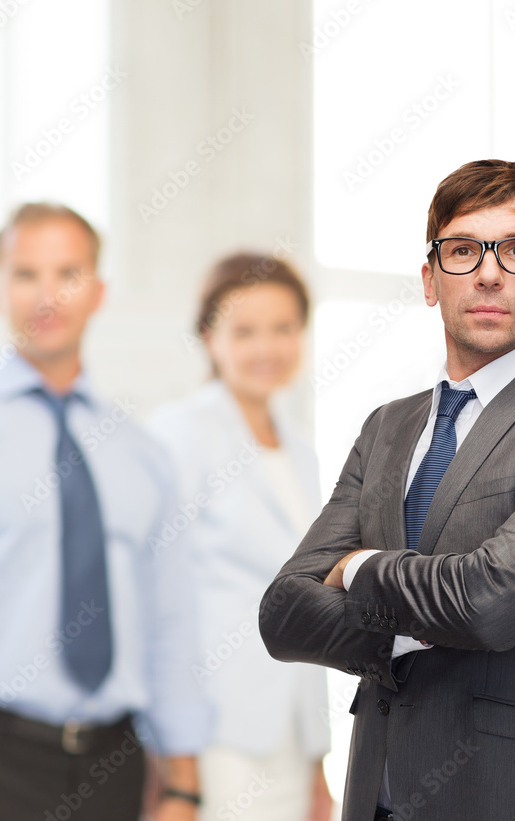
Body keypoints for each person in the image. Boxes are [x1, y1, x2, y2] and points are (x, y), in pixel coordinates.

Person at [258, 159, 515, 821]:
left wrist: (358, 567)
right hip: (377, 796)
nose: (490, 272)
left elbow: (491, 600)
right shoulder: (388, 427)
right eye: (464, 249)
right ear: (429, 279)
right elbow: (283, 612)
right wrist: (417, 630)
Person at [0, 203, 210, 821]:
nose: (48, 293)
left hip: (116, 768)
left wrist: (183, 784)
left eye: (67, 272)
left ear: (98, 291)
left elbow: (169, 619)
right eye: (26, 274)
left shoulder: (141, 452)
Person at [147, 253, 333, 821]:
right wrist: (176, 764)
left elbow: (311, 599)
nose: (266, 348)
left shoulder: (301, 450)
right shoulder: (176, 437)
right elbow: (157, 603)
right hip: (215, 730)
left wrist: (317, 760)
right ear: (208, 336)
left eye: (283, 329)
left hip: (292, 732)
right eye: (244, 331)